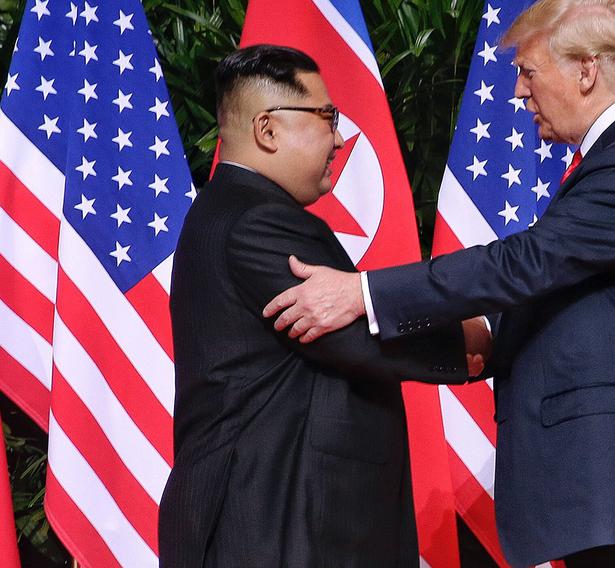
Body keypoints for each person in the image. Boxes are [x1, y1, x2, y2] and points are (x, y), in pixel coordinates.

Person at [263, 0, 615, 566]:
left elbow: (526, 263)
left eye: (530, 72)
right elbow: (578, 295)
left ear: (587, 70)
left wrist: (361, 293)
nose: (517, 91)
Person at [158, 44, 490, 567]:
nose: (339, 138)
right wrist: (475, 341)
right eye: (326, 116)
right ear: (267, 129)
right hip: (274, 526)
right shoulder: (256, 220)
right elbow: (354, 335)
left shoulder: (231, 211)